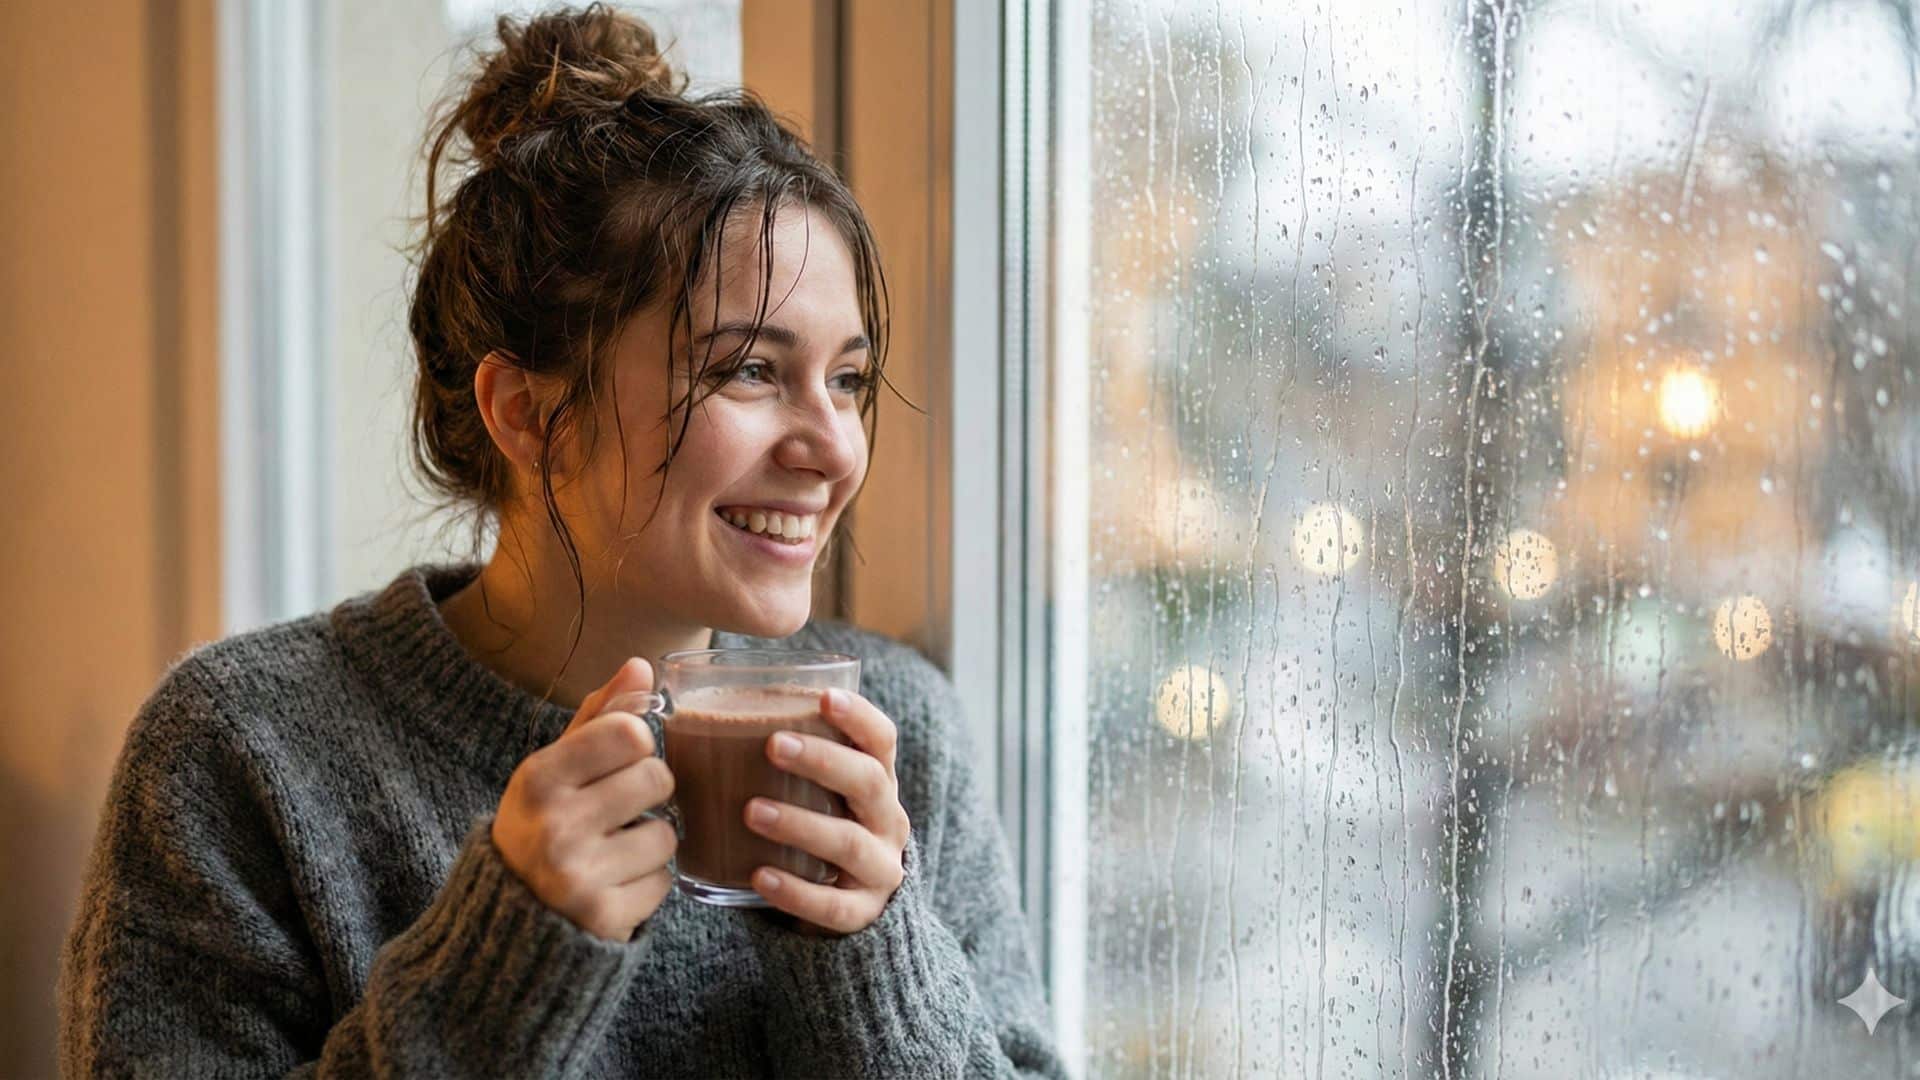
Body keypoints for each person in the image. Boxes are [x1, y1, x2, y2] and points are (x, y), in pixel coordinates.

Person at [57, 6, 1065, 1077]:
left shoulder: (890, 735)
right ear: (529, 415)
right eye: (749, 370)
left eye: (849, 380)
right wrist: (505, 961)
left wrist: (878, 957)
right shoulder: (242, 754)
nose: (833, 447)